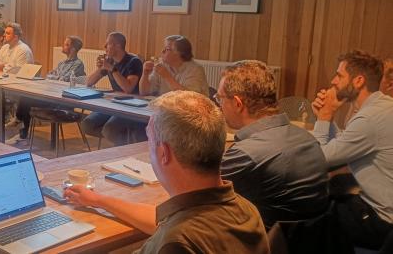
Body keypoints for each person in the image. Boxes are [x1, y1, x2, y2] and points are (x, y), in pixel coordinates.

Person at [65, 91, 269, 253]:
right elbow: (162, 219)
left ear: (164, 153)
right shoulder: (245, 210)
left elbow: (173, 230)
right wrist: (98, 200)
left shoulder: (177, 242)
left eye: (150, 140)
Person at [217, 60, 329, 228]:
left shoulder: (246, 154)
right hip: (314, 242)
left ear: (238, 104)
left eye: (220, 98)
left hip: (267, 245)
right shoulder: (307, 138)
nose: (219, 106)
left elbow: (200, 198)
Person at [311, 50, 393, 250]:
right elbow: (346, 146)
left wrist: (324, 117)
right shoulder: (383, 107)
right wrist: (327, 118)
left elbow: (317, 160)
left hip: (382, 222)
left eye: (339, 75)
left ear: (358, 81)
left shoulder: (369, 118)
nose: (333, 81)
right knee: (336, 188)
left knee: (314, 212)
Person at [5, 36, 86, 145]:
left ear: (73, 49)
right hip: (53, 95)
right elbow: (50, 76)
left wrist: (55, 77)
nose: (63, 46)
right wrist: (55, 77)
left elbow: (64, 80)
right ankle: (21, 128)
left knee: (27, 101)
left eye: (66, 44)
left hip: (62, 101)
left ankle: (20, 127)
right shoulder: (62, 63)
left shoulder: (78, 64)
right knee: (26, 97)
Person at [80, 32, 144, 146]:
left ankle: (124, 147)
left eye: (107, 44)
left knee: (110, 130)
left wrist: (112, 69)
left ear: (117, 46)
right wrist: (100, 68)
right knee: (87, 124)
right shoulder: (110, 61)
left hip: (131, 106)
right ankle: (121, 141)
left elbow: (128, 88)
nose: (104, 47)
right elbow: (89, 82)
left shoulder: (134, 61)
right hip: (114, 103)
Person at [139, 35, 209, 97]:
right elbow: (144, 92)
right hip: (166, 109)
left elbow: (188, 98)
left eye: (167, 49)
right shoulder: (162, 65)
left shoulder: (195, 69)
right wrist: (145, 74)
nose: (162, 51)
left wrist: (167, 76)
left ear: (180, 53)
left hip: (192, 110)